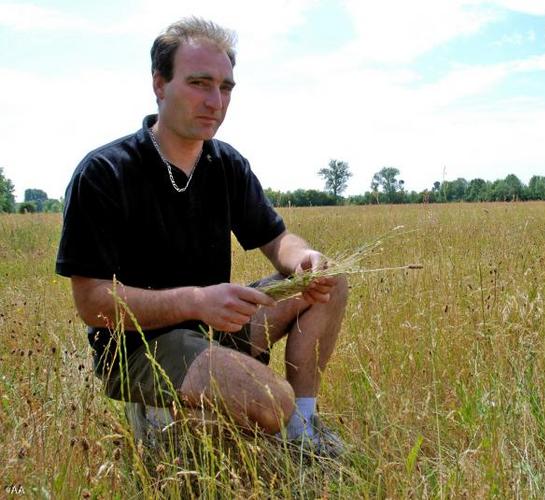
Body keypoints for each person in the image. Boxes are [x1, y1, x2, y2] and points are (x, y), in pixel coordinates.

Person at [55, 17, 348, 457]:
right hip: (142, 348)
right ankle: (162, 421)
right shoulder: (105, 173)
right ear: (159, 83)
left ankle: (303, 432)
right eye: (199, 83)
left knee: (330, 282)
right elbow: (93, 302)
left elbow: (276, 239)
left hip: (213, 328)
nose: (215, 101)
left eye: (225, 87)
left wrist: (303, 257)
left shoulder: (224, 164)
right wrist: (196, 300)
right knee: (272, 400)